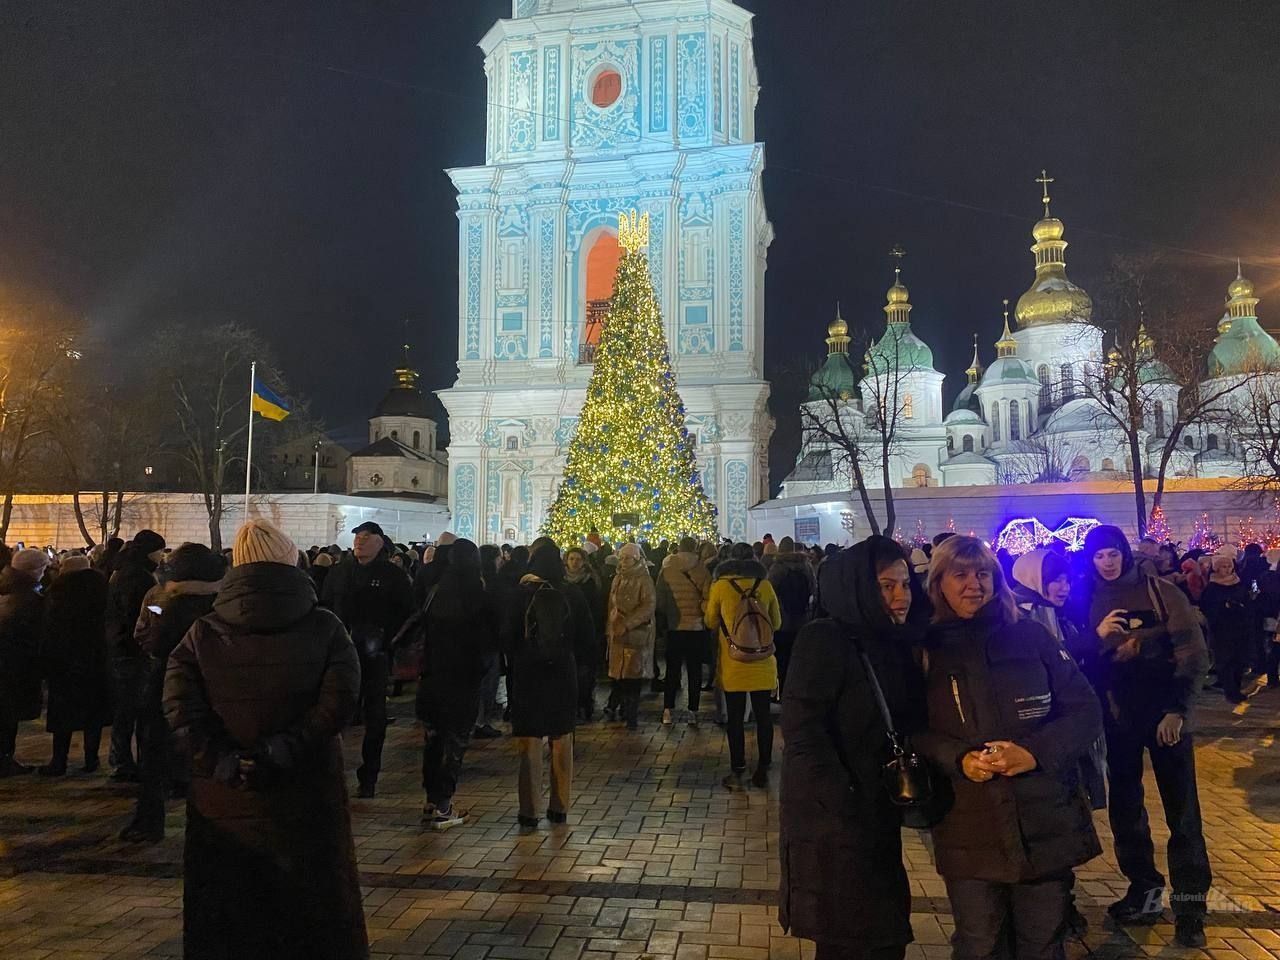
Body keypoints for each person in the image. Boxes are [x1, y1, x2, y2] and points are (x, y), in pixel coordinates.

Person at [164, 519, 367, 959]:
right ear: (291, 559)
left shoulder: (202, 633)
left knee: (233, 920)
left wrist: (223, 761)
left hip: (224, 801)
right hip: (306, 793)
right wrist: (285, 749)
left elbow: (180, 710)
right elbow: (340, 703)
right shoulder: (326, 628)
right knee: (310, 920)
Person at [917, 536, 1102, 960]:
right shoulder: (925, 649)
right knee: (981, 944)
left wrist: (1034, 753)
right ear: (938, 583)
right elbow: (913, 730)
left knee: (1043, 942)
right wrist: (958, 758)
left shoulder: (1031, 635)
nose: (974, 584)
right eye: (960, 575)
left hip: (1044, 820)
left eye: (983, 574)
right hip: (968, 825)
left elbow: (1084, 710)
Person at [779, 537, 924, 960]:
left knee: (882, 933)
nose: (901, 596)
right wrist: (845, 799)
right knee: (852, 936)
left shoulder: (891, 640)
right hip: (839, 824)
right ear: (858, 587)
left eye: (905, 585)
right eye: (886, 586)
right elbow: (803, 730)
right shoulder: (826, 639)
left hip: (877, 814)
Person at [1082, 524, 1210, 947]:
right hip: (1118, 718)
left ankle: (1190, 908)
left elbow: (1192, 655)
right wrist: (1102, 645)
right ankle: (1144, 890)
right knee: (1126, 809)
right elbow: (1078, 657)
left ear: (1124, 552)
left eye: (1113, 553)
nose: (1107, 562)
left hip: (1164, 717)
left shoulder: (1161, 592)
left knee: (1182, 814)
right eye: (1099, 555)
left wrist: (1178, 710)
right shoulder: (1087, 596)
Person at [120, 544, 226, 841]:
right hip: (210, 685)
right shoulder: (221, 603)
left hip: (164, 682)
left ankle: (148, 821)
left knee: (153, 753)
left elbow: (147, 638)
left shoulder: (163, 601)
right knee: (205, 754)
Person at [320, 520, 414, 798]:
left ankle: (369, 775)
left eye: (366, 536)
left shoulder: (392, 576)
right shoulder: (339, 573)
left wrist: (389, 641)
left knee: (375, 717)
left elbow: (408, 613)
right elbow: (325, 607)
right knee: (335, 713)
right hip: (340, 655)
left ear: (379, 542)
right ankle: (331, 772)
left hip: (375, 656)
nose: (359, 541)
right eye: (357, 537)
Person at [505, 537, 591, 827]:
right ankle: (559, 806)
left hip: (528, 673)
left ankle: (529, 810)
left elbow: (507, 637)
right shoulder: (572, 593)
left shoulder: (520, 594)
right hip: (562, 672)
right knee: (561, 738)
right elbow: (587, 637)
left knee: (529, 742)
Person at [415, 538, 493, 830]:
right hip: (462, 678)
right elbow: (485, 639)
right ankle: (444, 804)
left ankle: (431, 799)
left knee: (434, 739)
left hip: (433, 675)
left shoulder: (437, 591)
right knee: (455, 741)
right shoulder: (476, 593)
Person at [705, 542, 782, 789]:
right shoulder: (765, 585)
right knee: (763, 717)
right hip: (762, 661)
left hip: (734, 662)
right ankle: (764, 766)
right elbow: (776, 623)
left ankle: (737, 767)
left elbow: (710, 621)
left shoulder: (720, 586)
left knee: (736, 718)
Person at [40, 555, 111, 777]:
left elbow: (49, 627)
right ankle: (91, 759)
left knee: (63, 714)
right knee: (93, 714)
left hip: (65, 661)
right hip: (96, 659)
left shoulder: (58, 592)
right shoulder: (102, 590)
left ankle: (59, 761)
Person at [105, 529, 166, 782]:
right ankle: (124, 762)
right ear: (150, 551)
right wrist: (162, 609)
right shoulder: (138, 577)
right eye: (159, 551)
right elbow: (141, 610)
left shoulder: (124, 570)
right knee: (132, 708)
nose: (162, 556)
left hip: (120, 646)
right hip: (132, 649)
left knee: (127, 709)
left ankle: (123, 760)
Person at [0, 549, 52, 776]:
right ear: (34, 570)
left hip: (10, 663)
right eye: (43, 568)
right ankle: (4, 760)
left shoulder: (10, 588)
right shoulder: (29, 599)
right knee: (7, 716)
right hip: (15, 665)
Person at [656, 536, 711, 725]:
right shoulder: (702, 570)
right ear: (695, 548)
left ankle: (667, 709)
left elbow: (660, 600)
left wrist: (669, 616)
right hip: (696, 627)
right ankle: (693, 711)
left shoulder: (667, 569)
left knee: (672, 670)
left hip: (675, 627)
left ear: (679, 548)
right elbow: (708, 598)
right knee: (694, 671)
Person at [607, 542, 656, 729]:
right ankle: (620, 708)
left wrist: (628, 623)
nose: (623, 561)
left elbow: (648, 605)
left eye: (627, 558)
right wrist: (609, 627)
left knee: (632, 676)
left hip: (635, 633)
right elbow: (611, 605)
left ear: (636, 559)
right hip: (617, 633)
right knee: (619, 674)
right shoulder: (618, 578)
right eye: (621, 558)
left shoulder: (644, 579)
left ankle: (631, 714)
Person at [1200, 549, 1252, 704]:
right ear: (1216, 568)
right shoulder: (1212, 587)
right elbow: (1207, 607)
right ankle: (1231, 691)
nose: (1227, 570)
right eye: (1223, 567)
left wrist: (1242, 606)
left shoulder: (1239, 583)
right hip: (1222, 629)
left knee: (1239, 659)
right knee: (1226, 660)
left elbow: (1248, 601)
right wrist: (1223, 607)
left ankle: (1237, 687)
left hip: (1240, 626)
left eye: (1229, 566)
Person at [767, 536, 815, 697]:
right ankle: (797, 691)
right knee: (798, 657)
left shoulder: (777, 567)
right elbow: (813, 589)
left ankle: (781, 692)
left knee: (781, 658)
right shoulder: (806, 566)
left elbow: (770, 590)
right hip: (802, 619)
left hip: (782, 619)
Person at [564, 546, 604, 721]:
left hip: (586, 632)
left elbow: (596, 608)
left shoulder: (590, 582)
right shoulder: (562, 581)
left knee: (585, 672)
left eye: (578, 559)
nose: (574, 562)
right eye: (571, 559)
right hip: (567, 633)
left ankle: (584, 705)